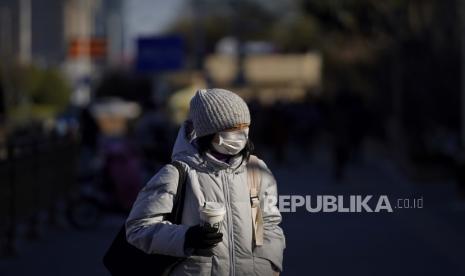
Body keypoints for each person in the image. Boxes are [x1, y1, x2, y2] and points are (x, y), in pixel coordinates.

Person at [125, 88, 285, 275]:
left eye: (245, 127)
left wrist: (271, 266)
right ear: (208, 132)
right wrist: (186, 238)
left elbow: (270, 223)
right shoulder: (177, 173)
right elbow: (138, 227)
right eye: (232, 129)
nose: (240, 135)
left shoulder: (257, 169)